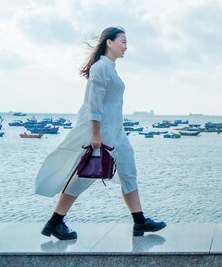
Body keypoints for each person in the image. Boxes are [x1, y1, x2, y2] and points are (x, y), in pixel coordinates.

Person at [35, 27, 165, 240]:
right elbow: (94, 105)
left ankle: (139, 221)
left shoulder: (111, 68)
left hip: (117, 133)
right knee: (85, 178)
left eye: (126, 42)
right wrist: (96, 135)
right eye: (123, 41)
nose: (126, 46)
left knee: (129, 172)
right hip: (103, 133)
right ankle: (55, 222)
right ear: (109, 43)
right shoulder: (101, 68)